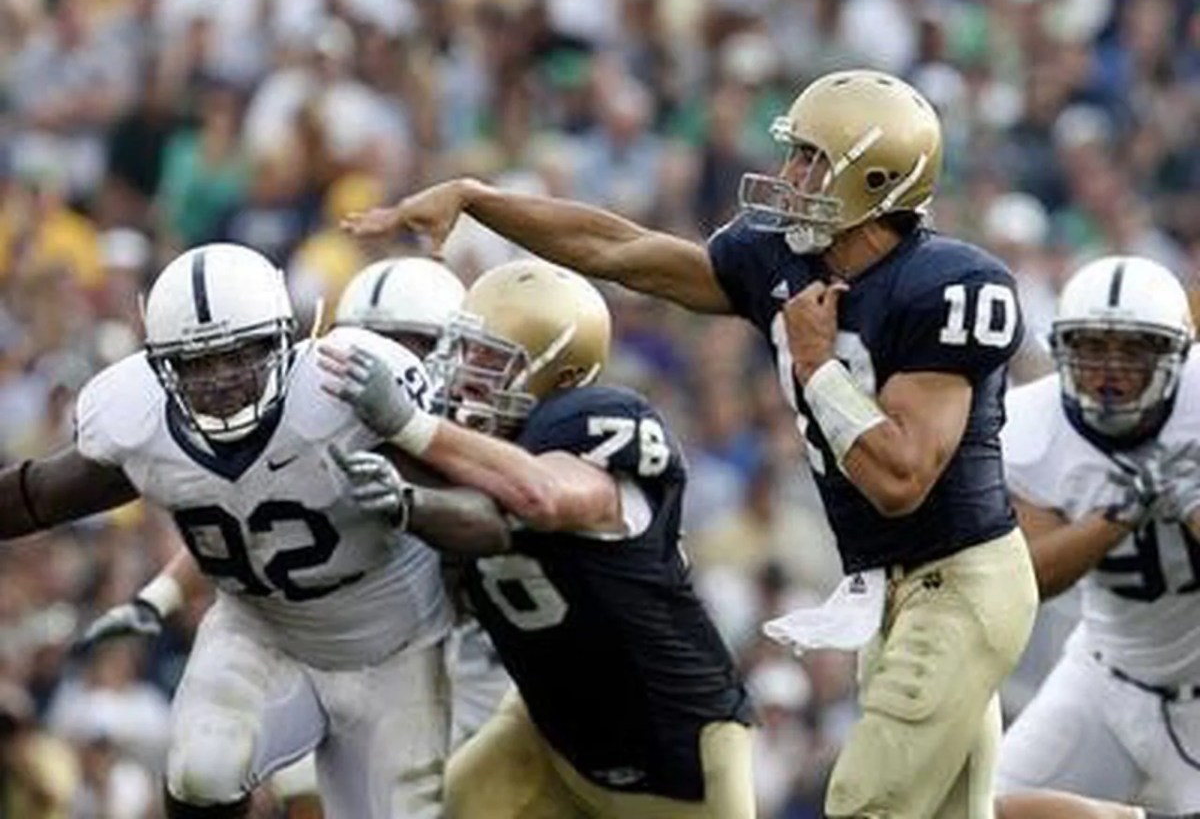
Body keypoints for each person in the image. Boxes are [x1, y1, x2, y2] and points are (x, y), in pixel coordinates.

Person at [341, 68, 1038, 818]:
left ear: (875, 180)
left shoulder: (948, 284)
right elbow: (621, 250)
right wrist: (482, 201)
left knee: (865, 804)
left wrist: (815, 365)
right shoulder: (785, 260)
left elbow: (901, 478)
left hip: (961, 580)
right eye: (794, 154)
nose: (789, 176)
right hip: (888, 584)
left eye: (811, 160)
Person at [0, 242, 509, 819]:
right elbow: (36, 495)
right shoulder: (139, 423)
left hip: (394, 649)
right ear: (160, 364)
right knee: (200, 772)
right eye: (196, 363)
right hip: (263, 631)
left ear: (284, 342)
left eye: (239, 355)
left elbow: (487, 522)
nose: (219, 380)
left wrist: (410, 504)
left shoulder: (343, 393)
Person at [318, 258, 756, 818]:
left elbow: (539, 497)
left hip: (673, 747)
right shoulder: (469, 453)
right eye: (464, 349)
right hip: (548, 732)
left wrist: (412, 426)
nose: (465, 372)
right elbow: (472, 521)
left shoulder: (591, 424)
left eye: (493, 358)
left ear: (564, 378)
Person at [997, 255, 1200, 811]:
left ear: (1176, 356)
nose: (1110, 370)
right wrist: (1122, 512)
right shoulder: (1031, 426)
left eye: (1134, 350)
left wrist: (1189, 501)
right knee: (985, 807)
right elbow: (1032, 577)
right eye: (1091, 348)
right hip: (1105, 675)